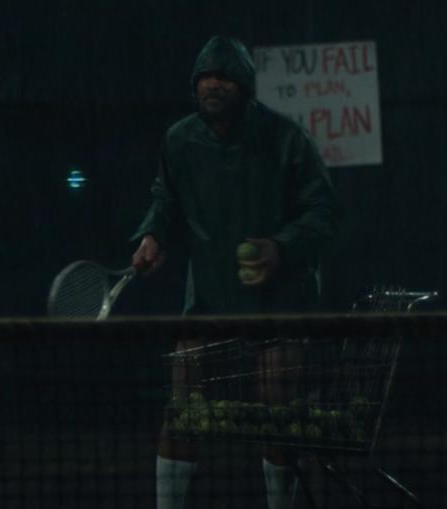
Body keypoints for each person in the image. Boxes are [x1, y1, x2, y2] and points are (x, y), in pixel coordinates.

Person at [130, 35, 341, 509]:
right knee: (182, 411)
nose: (213, 84)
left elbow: (324, 212)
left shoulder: (286, 138)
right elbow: (165, 200)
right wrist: (152, 235)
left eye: (224, 76)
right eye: (205, 76)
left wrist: (280, 249)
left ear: (245, 86)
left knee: (278, 411)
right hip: (208, 302)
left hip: (280, 303)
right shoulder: (179, 140)